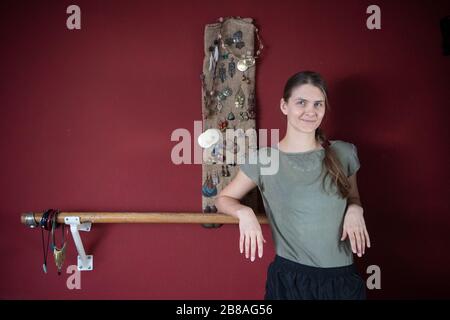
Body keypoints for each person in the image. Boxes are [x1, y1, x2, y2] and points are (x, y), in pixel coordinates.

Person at [214, 71, 371, 300]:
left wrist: (356, 208)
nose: (311, 111)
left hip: (342, 281)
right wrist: (244, 212)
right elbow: (222, 199)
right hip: (291, 281)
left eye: (318, 104)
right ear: (284, 106)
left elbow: (354, 198)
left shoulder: (343, 153)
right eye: (301, 102)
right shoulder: (265, 159)